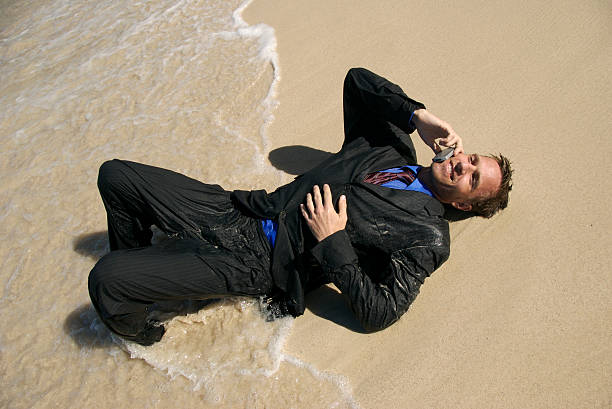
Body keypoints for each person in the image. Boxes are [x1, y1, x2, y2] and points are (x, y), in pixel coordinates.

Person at [88, 68, 513, 345]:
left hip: (261, 262)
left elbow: (379, 313)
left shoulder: (427, 237)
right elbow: (357, 81)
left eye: (473, 179)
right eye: (471, 159)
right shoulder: (392, 148)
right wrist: (418, 116)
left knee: (106, 280)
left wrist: (335, 243)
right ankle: (140, 268)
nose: (463, 167)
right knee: (116, 176)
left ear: (470, 206)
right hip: (242, 210)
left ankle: (142, 332)